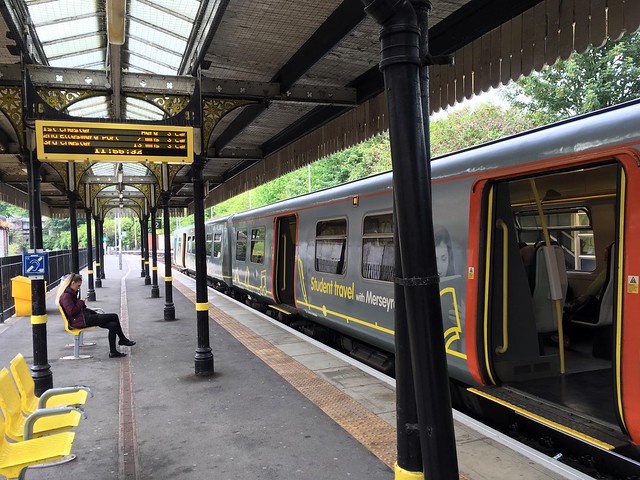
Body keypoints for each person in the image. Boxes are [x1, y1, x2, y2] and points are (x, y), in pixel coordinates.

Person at [56, 273, 135, 358]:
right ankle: (122, 339)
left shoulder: (71, 293)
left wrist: (81, 303)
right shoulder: (66, 296)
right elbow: (72, 312)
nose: (78, 288)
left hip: (84, 318)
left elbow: (77, 309)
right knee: (114, 316)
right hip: (82, 320)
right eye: (78, 286)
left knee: (113, 325)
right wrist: (81, 302)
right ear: (73, 283)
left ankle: (113, 352)